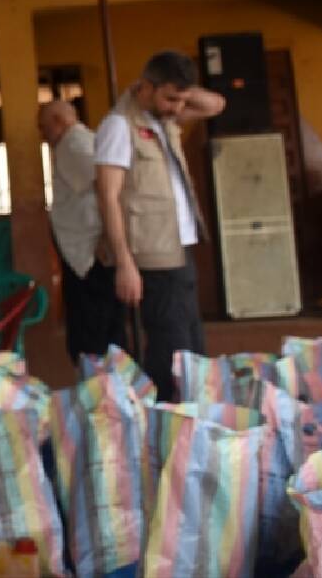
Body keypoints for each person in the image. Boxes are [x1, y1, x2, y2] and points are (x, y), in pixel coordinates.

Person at [95, 51, 224, 402]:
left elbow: (216, 104)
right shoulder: (119, 126)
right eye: (169, 97)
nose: (177, 107)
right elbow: (108, 197)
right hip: (150, 259)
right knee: (172, 354)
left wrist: (179, 94)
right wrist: (125, 263)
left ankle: (186, 425)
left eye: (182, 99)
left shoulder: (162, 117)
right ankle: (167, 430)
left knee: (192, 350)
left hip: (179, 251)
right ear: (146, 87)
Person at [38, 100, 123, 364]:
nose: (42, 135)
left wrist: (106, 236)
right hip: (85, 256)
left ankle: (101, 394)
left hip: (91, 254)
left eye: (43, 128)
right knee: (96, 331)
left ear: (58, 122)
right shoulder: (79, 142)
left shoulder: (73, 144)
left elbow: (106, 187)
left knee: (92, 335)